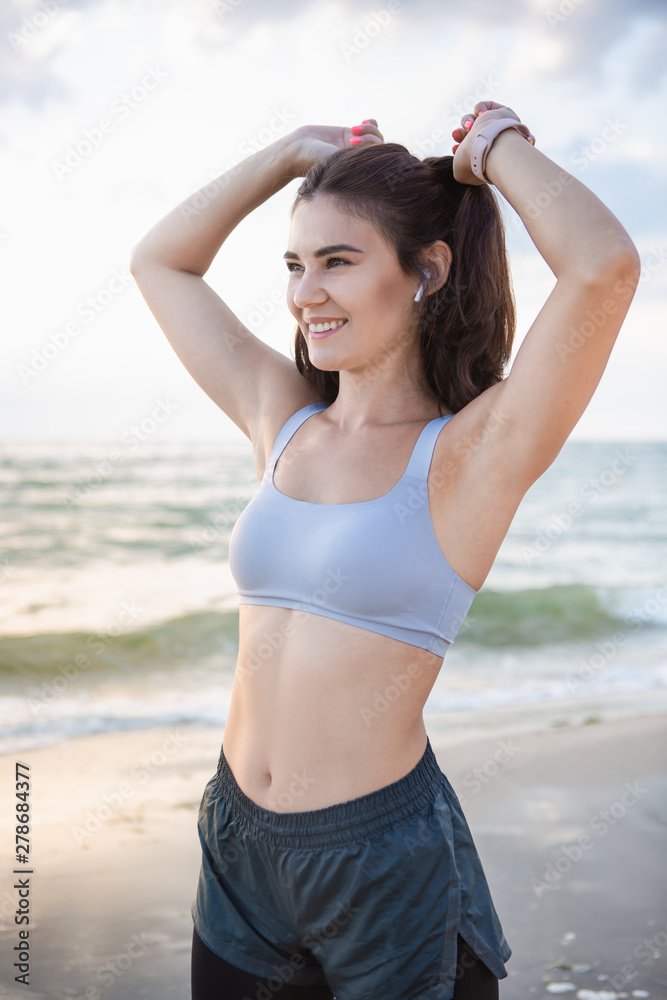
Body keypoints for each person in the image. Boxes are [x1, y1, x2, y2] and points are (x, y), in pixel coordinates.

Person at [130, 101, 640, 1000]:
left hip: (380, 863)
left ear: (426, 271)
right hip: (236, 848)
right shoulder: (279, 418)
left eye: (337, 261)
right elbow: (159, 263)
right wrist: (288, 154)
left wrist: (495, 150)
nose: (303, 294)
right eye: (294, 265)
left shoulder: (469, 456)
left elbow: (602, 270)